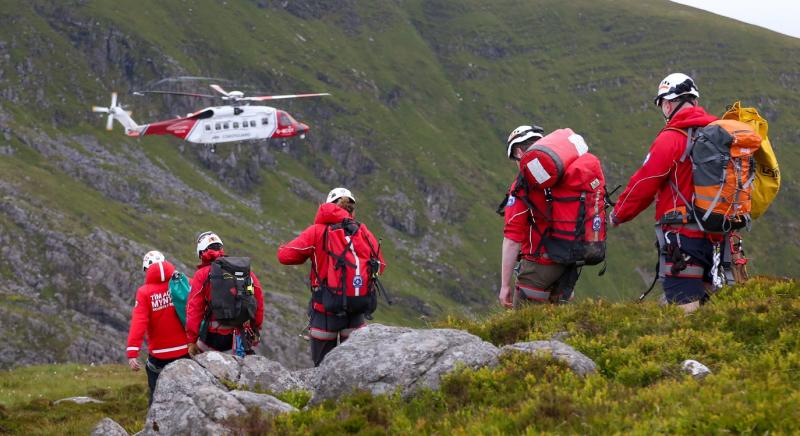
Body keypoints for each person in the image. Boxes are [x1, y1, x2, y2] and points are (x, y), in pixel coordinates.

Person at [610, 73, 719, 313]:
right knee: (711, 305)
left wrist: (619, 214)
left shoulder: (672, 138)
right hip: (718, 235)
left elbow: (645, 182)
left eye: (662, 104)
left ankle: (687, 350)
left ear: (669, 103)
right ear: (694, 101)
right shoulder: (717, 133)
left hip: (683, 234)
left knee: (684, 306)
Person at [277, 187, 386, 366]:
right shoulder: (363, 231)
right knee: (353, 368)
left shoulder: (317, 231)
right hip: (357, 310)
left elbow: (285, 257)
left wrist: (283, 247)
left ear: (328, 205)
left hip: (324, 311)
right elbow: (380, 265)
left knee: (321, 369)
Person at [498, 125, 570, 307]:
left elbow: (512, 238)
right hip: (568, 260)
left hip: (538, 264)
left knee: (523, 326)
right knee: (556, 323)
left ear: (519, 152)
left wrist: (505, 286)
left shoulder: (524, 185)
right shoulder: (563, 178)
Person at [126, 251, 190, 405]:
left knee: (156, 398)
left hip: (160, 357)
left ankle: (155, 421)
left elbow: (139, 322)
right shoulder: (182, 282)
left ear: (146, 270)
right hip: (186, 351)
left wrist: (133, 351)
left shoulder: (144, 292)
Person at [185, 232, 264, 355]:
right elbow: (257, 297)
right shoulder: (242, 270)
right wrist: (256, 328)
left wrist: (191, 340)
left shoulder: (202, 275)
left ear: (201, 253)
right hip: (240, 334)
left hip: (213, 337)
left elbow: (194, 309)